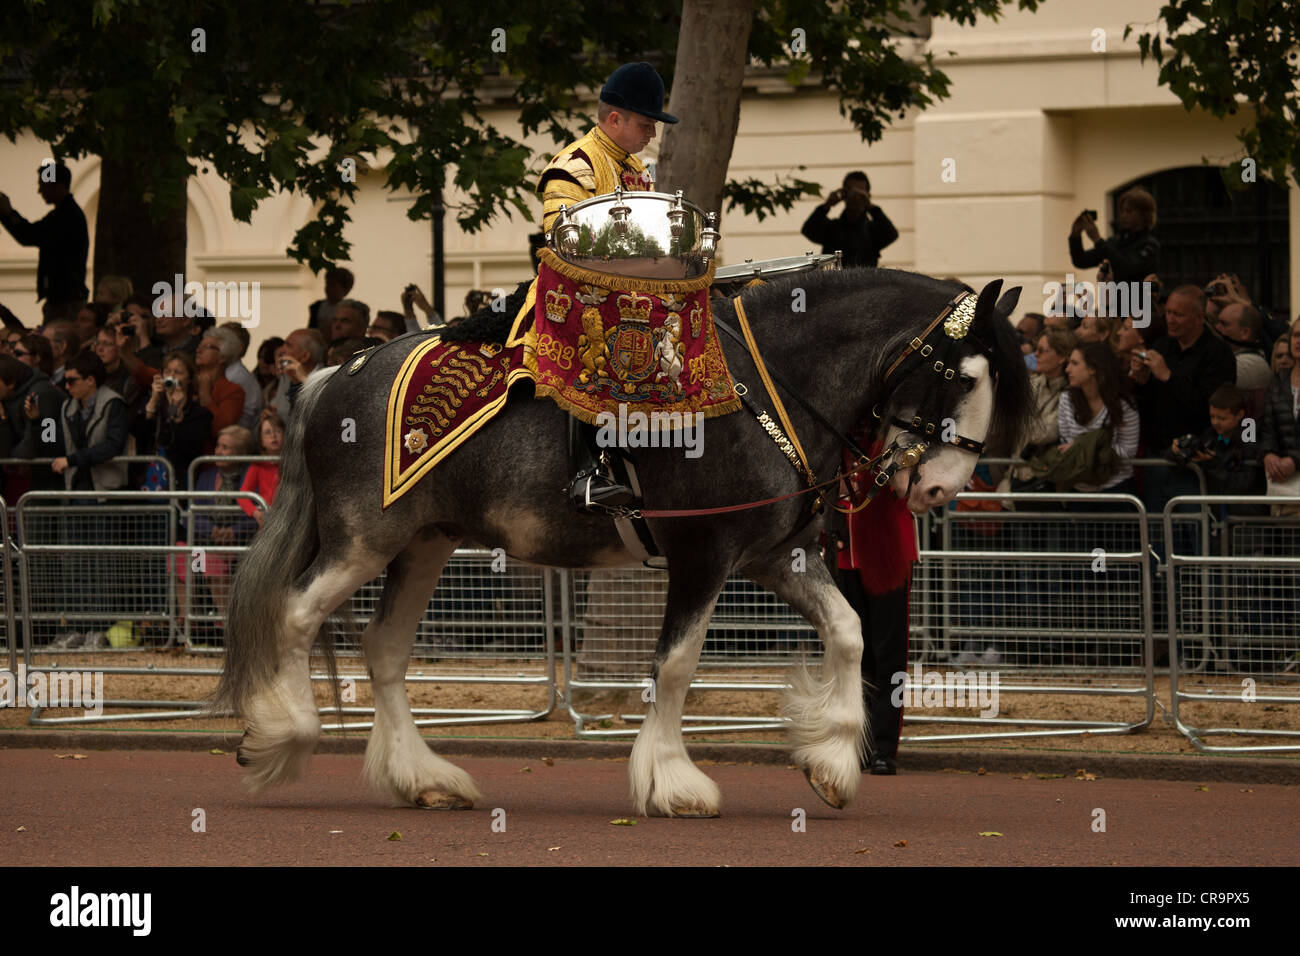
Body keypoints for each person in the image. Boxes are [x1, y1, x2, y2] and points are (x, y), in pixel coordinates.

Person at [538, 61, 677, 510]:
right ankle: (586, 470)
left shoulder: (638, 168)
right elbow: (561, 241)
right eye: (644, 123)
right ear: (613, 119)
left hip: (631, 290)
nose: (651, 133)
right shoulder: (573, 165)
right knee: (602, 346)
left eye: (653, 124)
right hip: (575, 293)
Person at [1129, 286, 1236, 503]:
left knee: (1194, 528)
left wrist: (1169, 376)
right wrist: (1139, 380)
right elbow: (1145, 401)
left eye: (1178, 314)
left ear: (1199, 318)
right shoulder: (1161, 346)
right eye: (1168, 312)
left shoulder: (1218, 354)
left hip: (1194, 462)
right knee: (1156, 530)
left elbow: (1210, 405)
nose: (1170, 319)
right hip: (1157, 456)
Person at [0, 162, 89, 322]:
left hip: (65, 299)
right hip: (64, 296)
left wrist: (8, 214)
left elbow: (30, 235)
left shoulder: (66, 217)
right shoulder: (65, 214)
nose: (40, 191)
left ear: (59, 186)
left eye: (44, 186)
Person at [1059, 343, 1141, 497]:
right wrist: (1098, 450)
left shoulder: (1123, 404)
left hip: (1117, 489)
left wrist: (1085, 448)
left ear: (1093, 368)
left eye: (1075, 363)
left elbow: (1128, 451)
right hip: (1078, 487)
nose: (1067, 369)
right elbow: (1067, 447)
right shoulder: (1066, 399)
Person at [136, 352, 213, 490]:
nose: (172, 376)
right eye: (167, 371)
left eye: (178, 372)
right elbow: (139, 433)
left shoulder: (199, 414)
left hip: (179, 483)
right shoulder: (154, 406)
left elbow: (187, 447)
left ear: (189, 378)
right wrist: (153, 401)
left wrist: (175, 412)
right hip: (148, 481)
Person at [800, 171, 898, 269]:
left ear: (867, 196)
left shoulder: (872, 230)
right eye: (850, 191)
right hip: (833, 281)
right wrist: (828, 204)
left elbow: (891, 234)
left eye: (860, 192)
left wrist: (871, 207)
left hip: (865, 282)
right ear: (844, 194)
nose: (854, 197)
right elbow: (808, 230)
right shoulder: (832, 228)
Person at [1068, 187, 1159, 289]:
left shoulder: (1150, 244)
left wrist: (1097, 240)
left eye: (1129, 211)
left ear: (1144, 214)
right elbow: (1081, 261)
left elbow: (1127, 268)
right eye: (1122, 211)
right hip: (1113, 302)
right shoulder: (1116, 241)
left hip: (1138, 303)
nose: (1123, 215)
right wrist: (1075, 235)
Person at [194, 327, 247, 449]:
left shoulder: (233, 391)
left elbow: (220, 428)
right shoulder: (186, 380)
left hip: (208, 458)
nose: (198, 350)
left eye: (206, 346)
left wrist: (205, 394)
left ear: (222, 357)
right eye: (199, 346)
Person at [239, 411, 284, 527]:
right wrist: (255, 512)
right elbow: (243, 495)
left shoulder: (292, 463)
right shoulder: (258, 465)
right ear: (261, 441)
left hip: (289, 518)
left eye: (278, 431)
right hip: (267, 520)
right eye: (268, 433)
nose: (273, 436)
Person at [1215, 303, 1272, 393]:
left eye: (1224, 324)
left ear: (1245, 333)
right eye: (1218, 322)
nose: (1217, 328)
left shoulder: (1249, 364)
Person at [219, 321, 264, 430]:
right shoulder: (226, 372)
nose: (215, 345)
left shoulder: (238, 378)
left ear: (238, 348)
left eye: (222, 341)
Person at [308, 267, 354, 333]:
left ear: (345, 288)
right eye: (327, 283)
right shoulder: (316, 307)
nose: (328, 288)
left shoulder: (351, 309)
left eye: (333, 285)